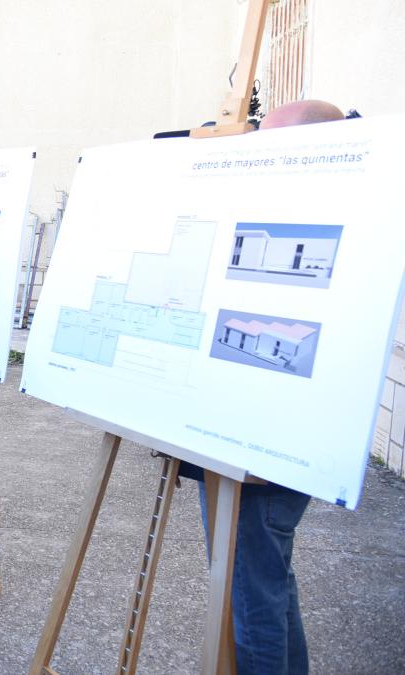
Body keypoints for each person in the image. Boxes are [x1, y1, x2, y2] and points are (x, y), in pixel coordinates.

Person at [186, 99, 346, 675]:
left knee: (251, 600)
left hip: (263, 457)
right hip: (240, 444)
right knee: (267, 586)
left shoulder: (322, 231)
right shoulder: (278, 213)